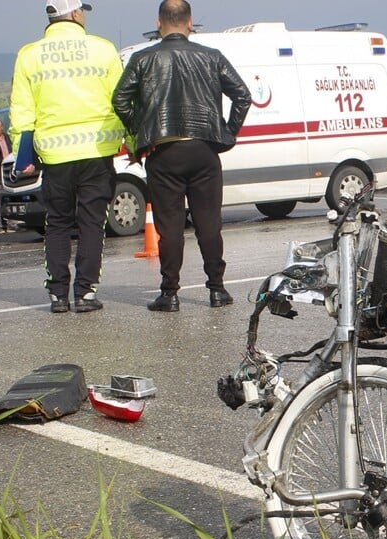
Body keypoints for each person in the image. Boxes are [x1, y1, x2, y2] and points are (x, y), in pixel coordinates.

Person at [113, 0, 250, 312]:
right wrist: (226, 133)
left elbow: (120, 100)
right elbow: (242, 95)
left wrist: (143, 130)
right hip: (204, 149)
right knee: (209, 223)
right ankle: (217, 289)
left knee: (170, 227)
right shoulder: (211, 57)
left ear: (158, 23)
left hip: (164, 152)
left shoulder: (142, 58)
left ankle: (169, 293)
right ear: (190, 23)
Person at [11, 0, 125, 314]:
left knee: (57, 224)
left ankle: (58, 294)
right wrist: (131, 140)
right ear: (75, 13)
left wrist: (23, 155)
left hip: (54, 153)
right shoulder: (103, 49)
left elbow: (22, 111)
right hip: (97, 151)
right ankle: (85, 292)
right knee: (92, 223)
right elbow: (121, 101)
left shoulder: (29, 55)